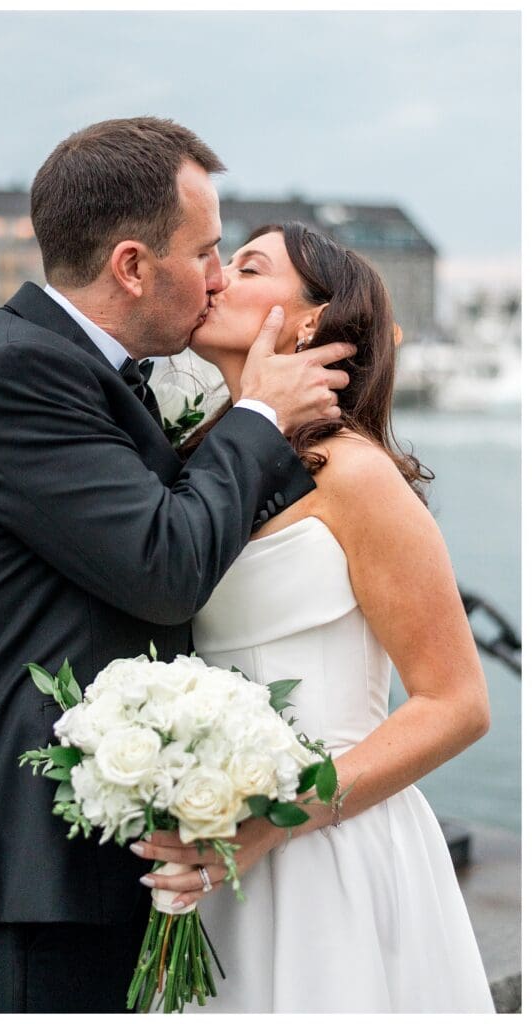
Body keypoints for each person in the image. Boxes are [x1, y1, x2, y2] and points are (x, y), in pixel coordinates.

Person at [0, 120, 356, 1013]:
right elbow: (163, 567)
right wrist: (262, 420)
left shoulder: (100, 371)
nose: (216, 276)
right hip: (35, 880)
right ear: (130, 265)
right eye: (203, 251)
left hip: (131, 852)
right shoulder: (19, 376)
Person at [130, 223, 495, 1012]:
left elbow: (459, 704)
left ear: (308, 322)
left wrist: (281, 820)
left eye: (246, 265)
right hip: (217, 849)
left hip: (329, 847)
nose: (216, 278)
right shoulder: (201, 462)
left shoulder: (356, 476)